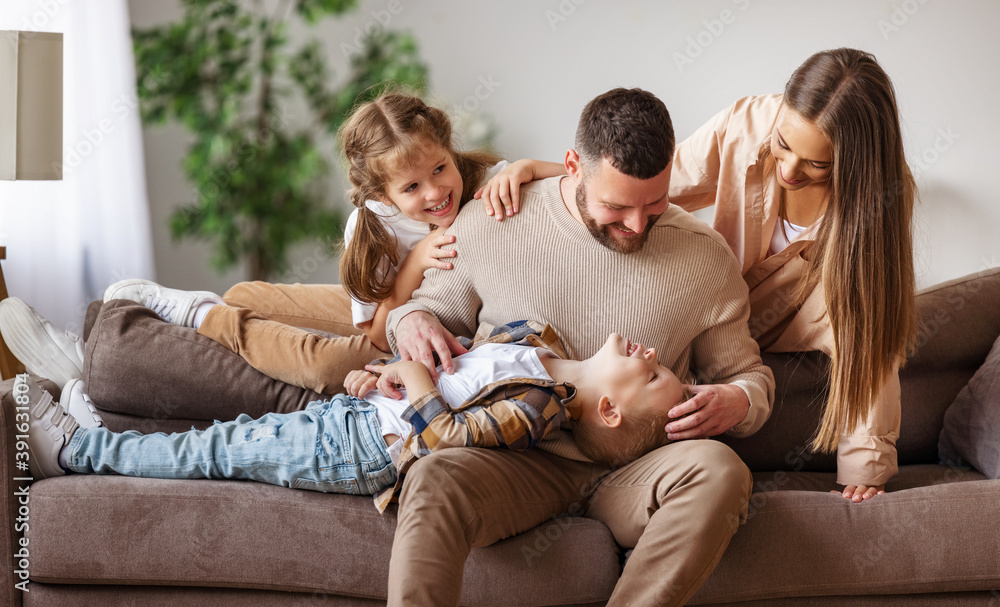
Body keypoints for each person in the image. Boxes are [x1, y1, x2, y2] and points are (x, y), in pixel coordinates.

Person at [381, 87, 774, 607]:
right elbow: (423, 312)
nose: (637, 225)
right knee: (433, 476)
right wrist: (410, 322)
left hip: (634, 470)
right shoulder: (496, 220)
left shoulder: (704, 257)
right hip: (517, 457)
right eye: (616, 206)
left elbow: (749, 373)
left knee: (722, 471)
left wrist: (740, 400)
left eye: (654, 203)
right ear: (572, 167)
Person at [1, 92, 562, 395]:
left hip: (408, 331)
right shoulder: (372, 227)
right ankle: (118, 344)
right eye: (411, 187)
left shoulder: (478, 178)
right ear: (381, 192)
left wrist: (527, 169)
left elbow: (564, 175)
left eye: (440, 169)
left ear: (448, 148)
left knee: (329, 366)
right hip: (389, 310)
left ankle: (171, 325)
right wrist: (413, 262)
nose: (437, 191)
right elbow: (373, 320)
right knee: (246, 293)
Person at [21, 321, 688, 512]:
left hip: (361, 448)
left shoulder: (539, 410)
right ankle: (103, 435)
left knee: (218, 451)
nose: (654, 352)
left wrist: (415, 376)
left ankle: (76, 453)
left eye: (653, 374)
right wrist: (393, 372)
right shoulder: (539, 346)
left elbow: (445, 435)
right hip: (365, 414)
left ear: (608, 406)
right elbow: (450, 371)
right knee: (223, 435)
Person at [669, 48, 917, 502]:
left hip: (796, 318)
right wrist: (554, 177)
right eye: (783, 146)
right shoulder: (746, 122)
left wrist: (866, 469)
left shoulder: (884, 192)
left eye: (817, 165)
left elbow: (870, 331)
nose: (788, 170)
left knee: (861, 300)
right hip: (712, 309)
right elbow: (654, 183)